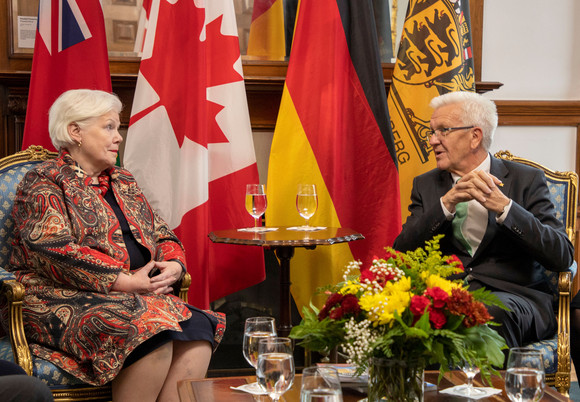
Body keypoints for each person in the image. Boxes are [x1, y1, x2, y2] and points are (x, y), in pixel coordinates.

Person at [6, 89, 225, 402]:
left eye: (117, 127)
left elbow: (162, 233)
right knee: (151, 329)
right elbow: (53, 249)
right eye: (108, 127)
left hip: (133, 296)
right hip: (53, 297)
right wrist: (126, 281)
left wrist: (175, 265)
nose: (118, 137)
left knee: (199, 328)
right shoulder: (44, 180)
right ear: (75, 132)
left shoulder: (123, 180)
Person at [393, 91, 574, 349]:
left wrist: (506, 209)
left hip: (513, 299)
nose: (432, 141)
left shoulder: (526, 180)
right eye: (431, 132)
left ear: (475, 136)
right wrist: (446, 204)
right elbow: (401, 253)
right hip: (446, 297)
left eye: (443, 130)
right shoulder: (426, 185)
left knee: (486, 313)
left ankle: (489, 390)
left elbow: (562, 255)